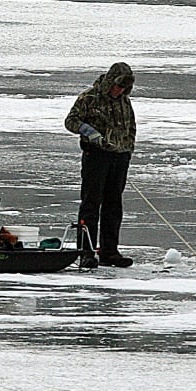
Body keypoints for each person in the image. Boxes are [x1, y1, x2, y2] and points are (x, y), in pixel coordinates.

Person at [64, 62, 137, 269]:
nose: (119, 90)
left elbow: (131, 126)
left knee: (114, 205)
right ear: (109, 82)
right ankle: (86, 251)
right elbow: (70, 121)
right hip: (96, 156)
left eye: (124, 87)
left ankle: (109, 251)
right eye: (117, 86)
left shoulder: (124, 101)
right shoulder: (89, 97)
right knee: (91, 203)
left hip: (119, 157)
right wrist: (89, 132)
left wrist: (127, 149)